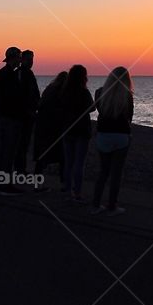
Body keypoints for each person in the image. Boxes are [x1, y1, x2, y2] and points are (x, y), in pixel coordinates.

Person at [91, 67, 134, 216]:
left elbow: (100, 111)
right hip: (121, 136)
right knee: (116, 173)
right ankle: (112, 206)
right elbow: (129, 117)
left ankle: (95, 205)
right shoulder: (127, 95)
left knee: (103, 171)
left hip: (103, 135)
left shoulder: (99, 92)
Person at [0, 47, 24, 195]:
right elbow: (9, 97)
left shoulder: (4, 73)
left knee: (4, 151)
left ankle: (1, 183)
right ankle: (3, 185)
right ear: (14, 58)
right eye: (19, 57)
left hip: (6, 117)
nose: (20, 60)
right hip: (10, 118)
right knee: (8, 152)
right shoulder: (7, 75)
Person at [61, 64, 94, 202]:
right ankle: (77, 192)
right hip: (81, 130)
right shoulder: (84, 92)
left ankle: (67, 189)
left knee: (69, 161)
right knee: (79, 163)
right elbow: (92, 108)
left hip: (68, 129)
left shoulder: (64, 91)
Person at [34, 71, 67, 184]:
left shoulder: (50, 89)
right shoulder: (61, 91)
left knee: (42, 155)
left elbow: (41, 104)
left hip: (42, 125)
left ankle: (37, 182)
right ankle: (64, 182)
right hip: (54, 127)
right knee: (63, 155)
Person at [16, 50, 40, 177]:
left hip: (29, 113)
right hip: (24, 114)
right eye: (28, 59)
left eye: (32, 59)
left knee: (23, 143)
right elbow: (22, 95)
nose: (31, 62)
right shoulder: (22, 74)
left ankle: (20, 168)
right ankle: (20, 169)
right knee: (22, 142)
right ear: (22, 60)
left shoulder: (27, 73)